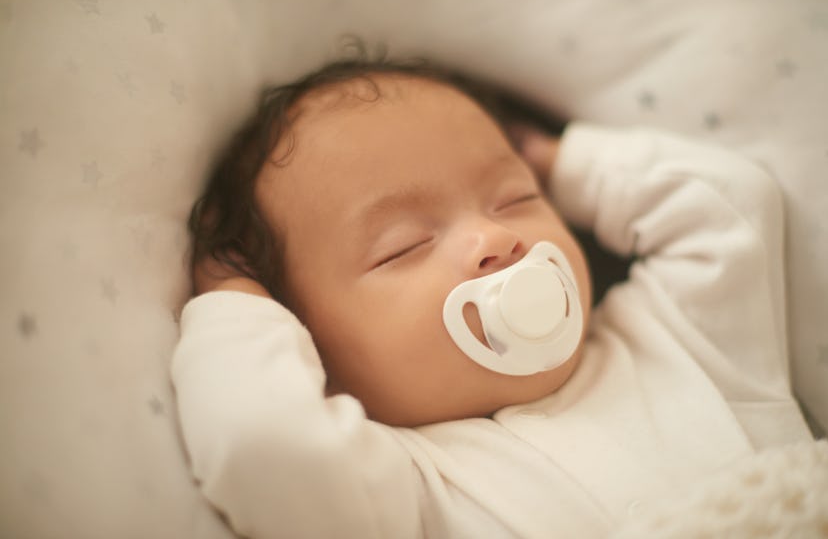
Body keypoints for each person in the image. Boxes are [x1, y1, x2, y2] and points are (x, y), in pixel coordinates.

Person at [171, 58, 813, 538]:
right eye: (403, 247)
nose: (494, 237)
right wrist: (235, 300)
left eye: (516, 198)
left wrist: (559, 160)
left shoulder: (680, 340)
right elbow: (261, 445)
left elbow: (728, 209)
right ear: (307, 345)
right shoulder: (401, 493)